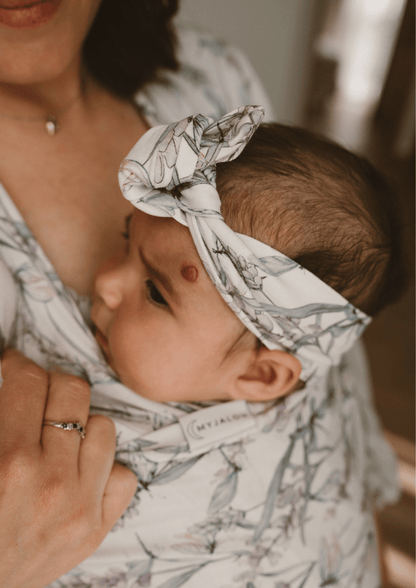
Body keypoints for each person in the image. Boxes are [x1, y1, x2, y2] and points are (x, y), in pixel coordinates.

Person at [0, 106, 406, 586]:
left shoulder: (316, 406)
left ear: (260, 375)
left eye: (155, 291)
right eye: (126, 239)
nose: (106, 281)